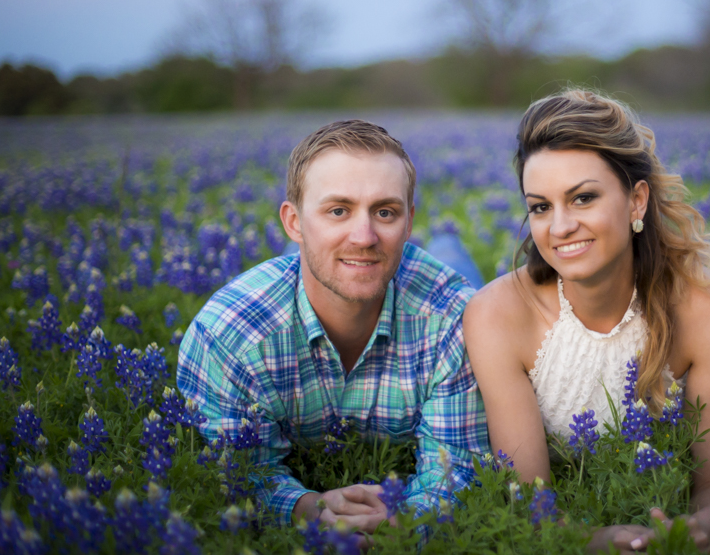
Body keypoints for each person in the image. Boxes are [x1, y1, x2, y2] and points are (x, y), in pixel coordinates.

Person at [463, 89, 710, 553]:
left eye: (583, 198)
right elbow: (530, 505)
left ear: (636, 202)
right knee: (454, 262)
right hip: (480, 291)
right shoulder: (495, 314)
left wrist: (693, 532)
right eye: (540, 206)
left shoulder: (708, 305)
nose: (559, 227)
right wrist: (591, 541)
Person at [177, 119, 489, 535]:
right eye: (338, 210)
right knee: (343, 258)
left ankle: (447, 244)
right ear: (292, 221)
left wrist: (404, 522)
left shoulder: (458, 317)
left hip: (427, 283)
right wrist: (306, 506)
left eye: (386, 212)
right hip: (309, 278)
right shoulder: (228, 336)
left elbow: (458, 473)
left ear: (409, 222)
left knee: (461, 271)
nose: (364, 235)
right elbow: (239, 474)